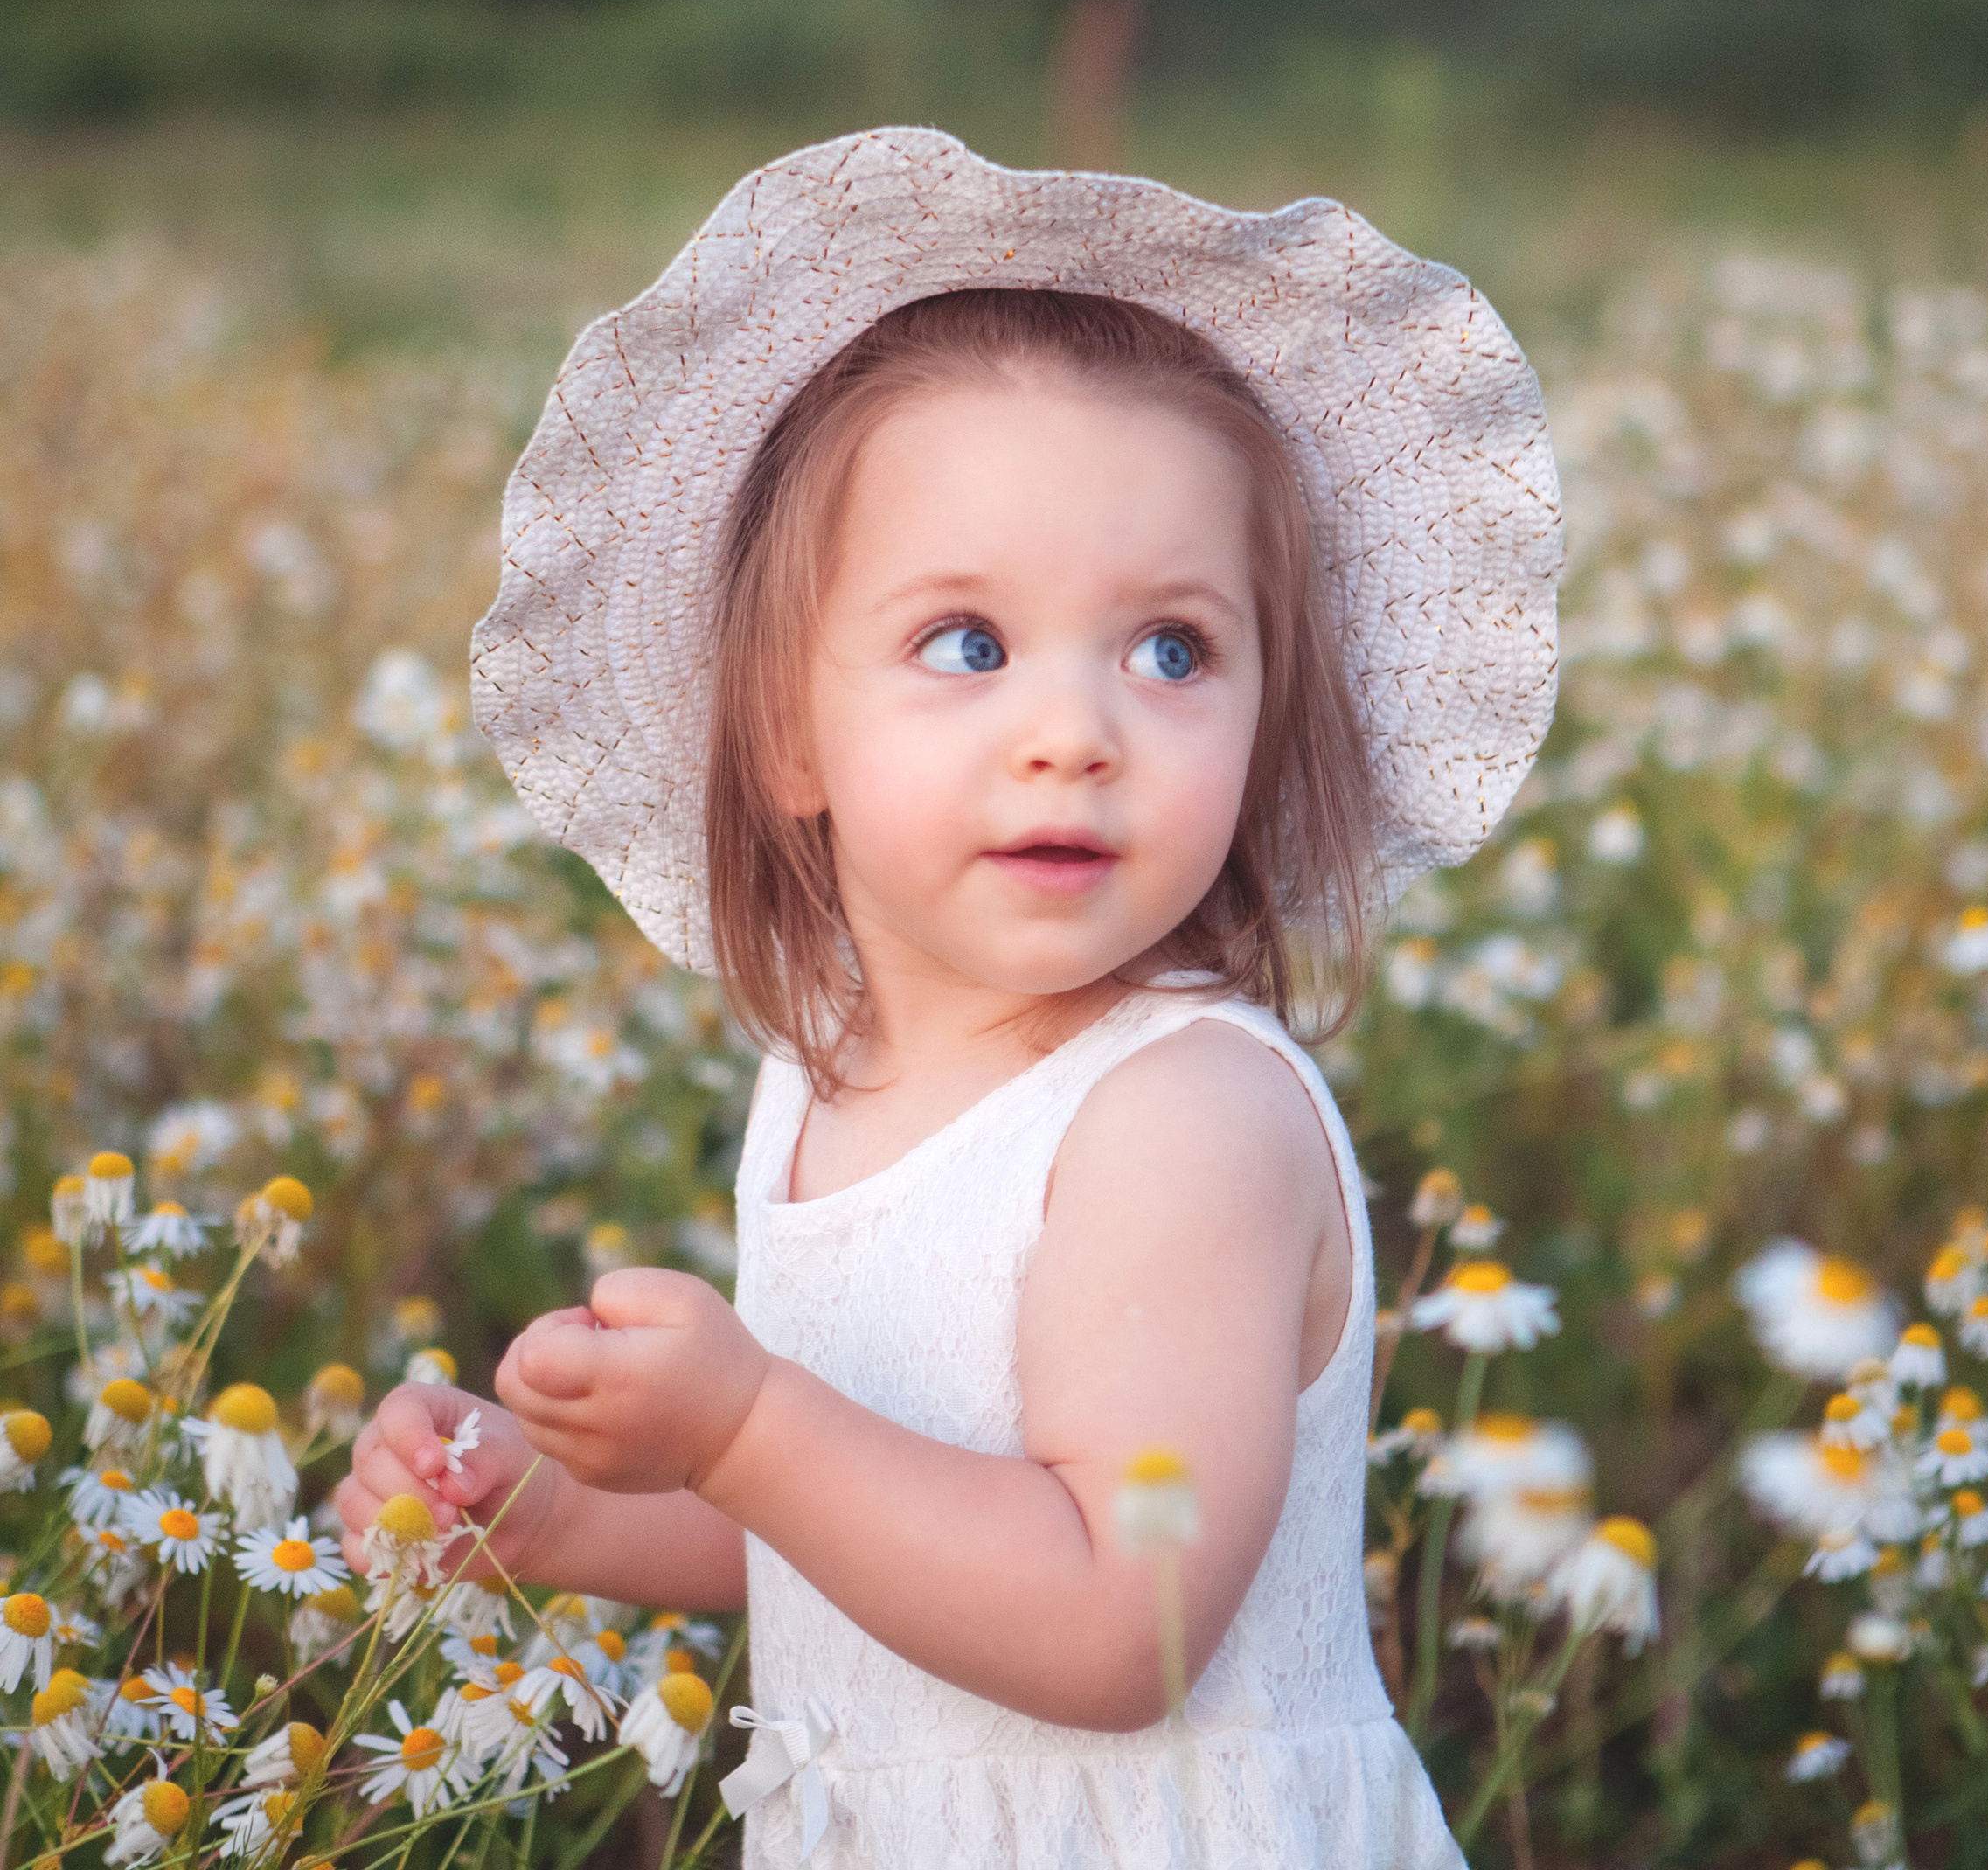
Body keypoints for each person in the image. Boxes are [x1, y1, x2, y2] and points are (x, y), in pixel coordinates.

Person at [336, 127, 1561, 1867]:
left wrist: (747, 1419)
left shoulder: (1180, 1121)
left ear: (1268, 722)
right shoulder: (825, 1073)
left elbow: (1105, 1626)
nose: (1073, 727)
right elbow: (868, 1537)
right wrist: (559, 1508)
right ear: (781, 733)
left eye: (1172, 647)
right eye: (967, 644)